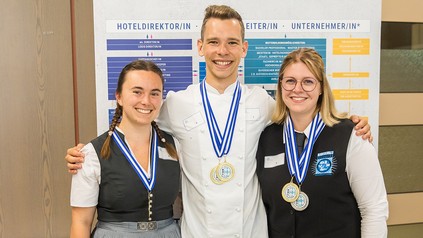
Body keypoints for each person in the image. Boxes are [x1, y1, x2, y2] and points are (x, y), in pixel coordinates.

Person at [66, 5, 372, 238]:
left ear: (244, 49)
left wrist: (351, 123)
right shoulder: (175, 103)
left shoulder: (263, 102)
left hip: (250, 231)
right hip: (198, 232)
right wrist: (87, 154)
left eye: (231, 42)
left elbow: (304, 112)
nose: (222, 52)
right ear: (201, 48)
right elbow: (135, 119)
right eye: (213, 42)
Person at [256, 48, 388, 238]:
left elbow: (374, 210)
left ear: (321, 89)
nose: (297, 89)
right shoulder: (266, 138)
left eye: (308, 82)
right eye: (290, 81)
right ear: (281, 86)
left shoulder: (352, 135)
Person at [70, 60, 181, 238]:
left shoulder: (175, 147)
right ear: (119, 97)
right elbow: (81, 222)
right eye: (137, 92)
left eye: (154, 93)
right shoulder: (91, 154)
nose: (146, 101)